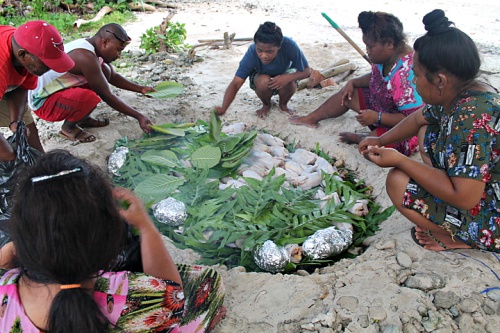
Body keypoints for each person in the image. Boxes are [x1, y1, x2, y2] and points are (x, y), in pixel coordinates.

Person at [0, 150, 225, 332]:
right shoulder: (130, 295)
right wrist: (146, 228)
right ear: (109, 242)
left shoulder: (5, 290)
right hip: (145, 313)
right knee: (208, 282)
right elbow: (174, 295)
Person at [359, 9, 500, 252]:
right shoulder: (466, 92)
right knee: (427, 130)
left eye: (416, 75)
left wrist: (401, 160)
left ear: (440, 81)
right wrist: (380, 139)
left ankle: (460, 238)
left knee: (397, 181)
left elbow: (466, 197)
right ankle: (447, 188)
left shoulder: (470, 118)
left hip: (492, 216)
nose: (413, 81)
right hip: (484, 185)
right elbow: (418, 117)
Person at [289, 11, 424, 157]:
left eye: (370, 47)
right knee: (348, 94)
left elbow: (412, 120)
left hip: (405, 130)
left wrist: (377, 117)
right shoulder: (387, 57)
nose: (368, 51)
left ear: (390, 44)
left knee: (369, 150)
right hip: (382, 110)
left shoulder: (406, 75)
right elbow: (376, 76)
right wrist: (353, 82)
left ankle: (363, 137)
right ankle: (311, 119)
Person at [27, 23, 154, 144]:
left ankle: (82, 118)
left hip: (56, 91)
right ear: (105, 42)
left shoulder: (91, 47)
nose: (119, 55)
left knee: (104, 71)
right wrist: (139, 117)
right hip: (42, 103)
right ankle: (69, 129)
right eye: (118, 50)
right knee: (90, 98)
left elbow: (112, 76)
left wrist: (141, 89)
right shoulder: (85, 57)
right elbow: (106, 95)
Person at [0, 20, 75, 160]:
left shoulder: (25, 45)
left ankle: (41, 163)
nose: (50, 68)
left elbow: (21, 86)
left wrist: (15, 121)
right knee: (7, 155)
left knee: (26, 130)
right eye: (47, 63)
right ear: (23, 55)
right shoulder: (3, 64)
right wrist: (8, 155)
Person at [216, 21, 311, 119]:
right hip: (262, 78)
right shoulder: (251, 52)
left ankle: (283, 104)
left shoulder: (289, 45)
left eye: (269, 51)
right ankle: (266, 104)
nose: (264, 56)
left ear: (279, 46)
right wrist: (224, 108)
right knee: (263, 81)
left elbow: (306, 71)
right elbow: (236, 83)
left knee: (290, 82)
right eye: (259, 50)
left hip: (285, 74)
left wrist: (286, 78)